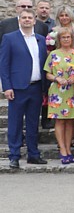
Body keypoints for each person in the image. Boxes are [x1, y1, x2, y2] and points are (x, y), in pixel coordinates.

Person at [0, 9, 48, 169]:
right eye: (24, 18)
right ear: (19, 20)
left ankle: (33, 154)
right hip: (18, 88)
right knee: (15, 123)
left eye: (30, 18)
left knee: (34, 123)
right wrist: (7, 87)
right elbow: (4, 64)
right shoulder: (9, 38)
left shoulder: (41, 39)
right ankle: (14, 155)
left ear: (35, 21)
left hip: (36, 87)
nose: (27, 20)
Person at [44, 27, 74, 164]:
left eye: (68, 37)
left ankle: (68, 148)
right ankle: (62, 149)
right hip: (57, 91)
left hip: (73, 91)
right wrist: (56, 78)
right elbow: (47, 73)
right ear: (59, 39)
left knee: (71, 120)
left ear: (72, 39)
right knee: (59, 120)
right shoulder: (53, 54)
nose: (66, 39)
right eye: (63, 37)